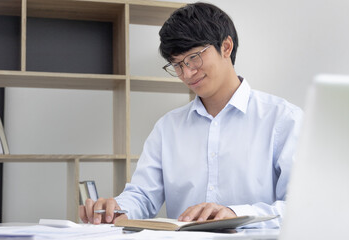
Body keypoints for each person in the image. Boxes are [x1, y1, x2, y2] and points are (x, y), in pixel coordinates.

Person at [80, 2, 303, 228]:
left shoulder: (283, 120)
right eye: (176, 65)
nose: (186, 73)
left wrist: (234, 214)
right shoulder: (168, 127)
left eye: (194, 57)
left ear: (226, 47)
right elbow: (143, 195)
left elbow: (301, 208)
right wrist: (117, 209)